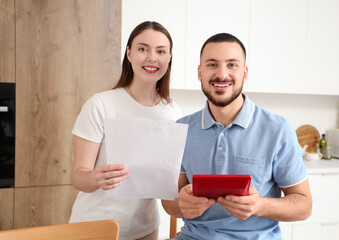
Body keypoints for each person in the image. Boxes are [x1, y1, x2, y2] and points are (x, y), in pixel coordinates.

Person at [162, 33, 312, 240]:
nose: (222, 74)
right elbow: (169, 203)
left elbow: (304, 206)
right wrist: (181, 204)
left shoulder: (278, 129)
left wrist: (259, 205)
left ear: (245, 72)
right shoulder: (181, 128)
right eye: (212, 64)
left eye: (232, 65)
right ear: (199, 72)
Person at [69, 21, 181, 240]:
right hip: (95, 228)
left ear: (169, 58)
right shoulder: (100, 104)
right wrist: (96, 178)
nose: (152, 58)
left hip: (145, 229)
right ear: (129, 53)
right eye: (142, 49)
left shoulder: (172, 112)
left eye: (161, 51)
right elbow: (78, 176)